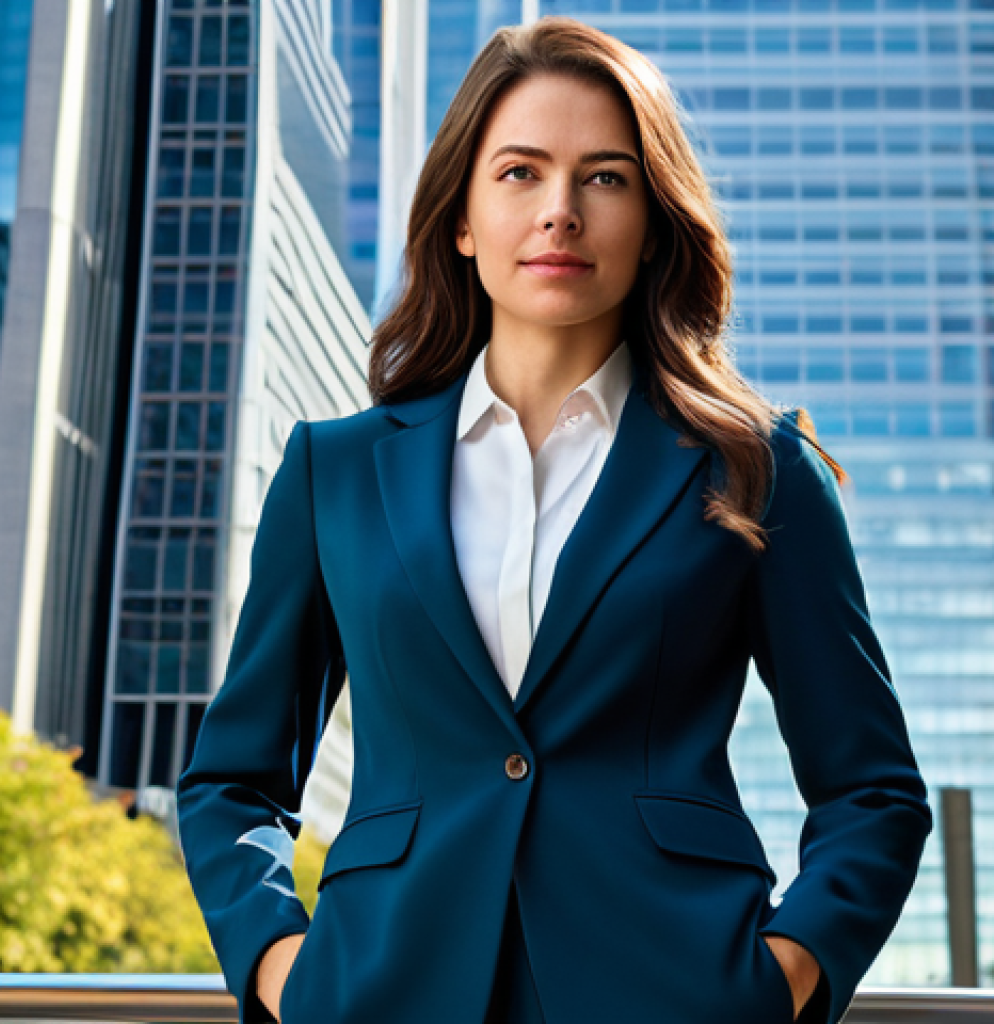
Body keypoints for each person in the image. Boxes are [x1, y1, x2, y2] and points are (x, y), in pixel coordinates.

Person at [177, 15, 932, 1024]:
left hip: (670, 991)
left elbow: (872, 793)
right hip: (384, 992)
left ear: (655, 219)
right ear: (460, 215)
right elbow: (232, 782)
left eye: (606, 178)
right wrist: (282, 968)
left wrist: (777, 983)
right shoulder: (337, 470)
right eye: (520, 173)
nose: (560, 213)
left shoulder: (760, 468)